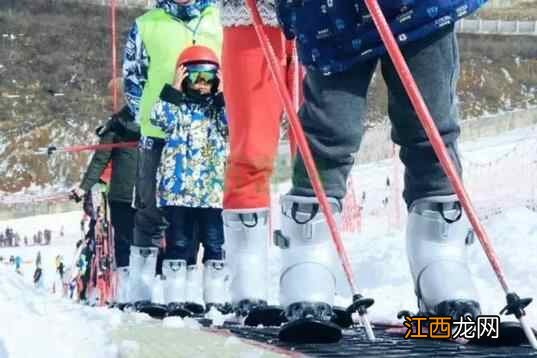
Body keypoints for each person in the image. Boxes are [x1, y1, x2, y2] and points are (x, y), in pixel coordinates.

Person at [268, 0, 487, 334]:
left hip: (420, 8)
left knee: (429, 120)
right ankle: (307, 256)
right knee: (330, 130)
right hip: (330, 14)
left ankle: (440, 259)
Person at [123, 0, 222, 311]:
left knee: (202, 216)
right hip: (160, 133)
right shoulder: (147, 23)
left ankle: (192, 293)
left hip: (208, 130)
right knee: (150, 211)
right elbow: (133, 78)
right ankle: (140, 292)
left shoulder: (220, 19)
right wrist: (148, 119)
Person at [219, 0, 295, 321]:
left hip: (326, 18)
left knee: (318, 152)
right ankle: (247, 280)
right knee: (251, 150)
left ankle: (310, 275)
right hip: (252, 18)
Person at [150, 45, 228, 315]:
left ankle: (215, 299)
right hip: (178, 192)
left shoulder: (218, 111)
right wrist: (172, 90)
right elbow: (158, 118)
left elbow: (234, 125)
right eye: (196, 77)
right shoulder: (177, 109)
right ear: (185, 78)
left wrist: (224, 96)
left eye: (208, 78)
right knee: (179, 244)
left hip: (212, 194)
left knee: (215, 244)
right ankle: (175, 299)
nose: (202, 85)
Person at [74, 78, 140, 306]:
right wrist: (84, 187)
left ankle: (146, 290)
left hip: (147, 194)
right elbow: (100, 159)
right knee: (125, 243)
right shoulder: (115, 124)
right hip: (122, 196)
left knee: (144, 244)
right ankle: (126, 292)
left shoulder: (157, 118)